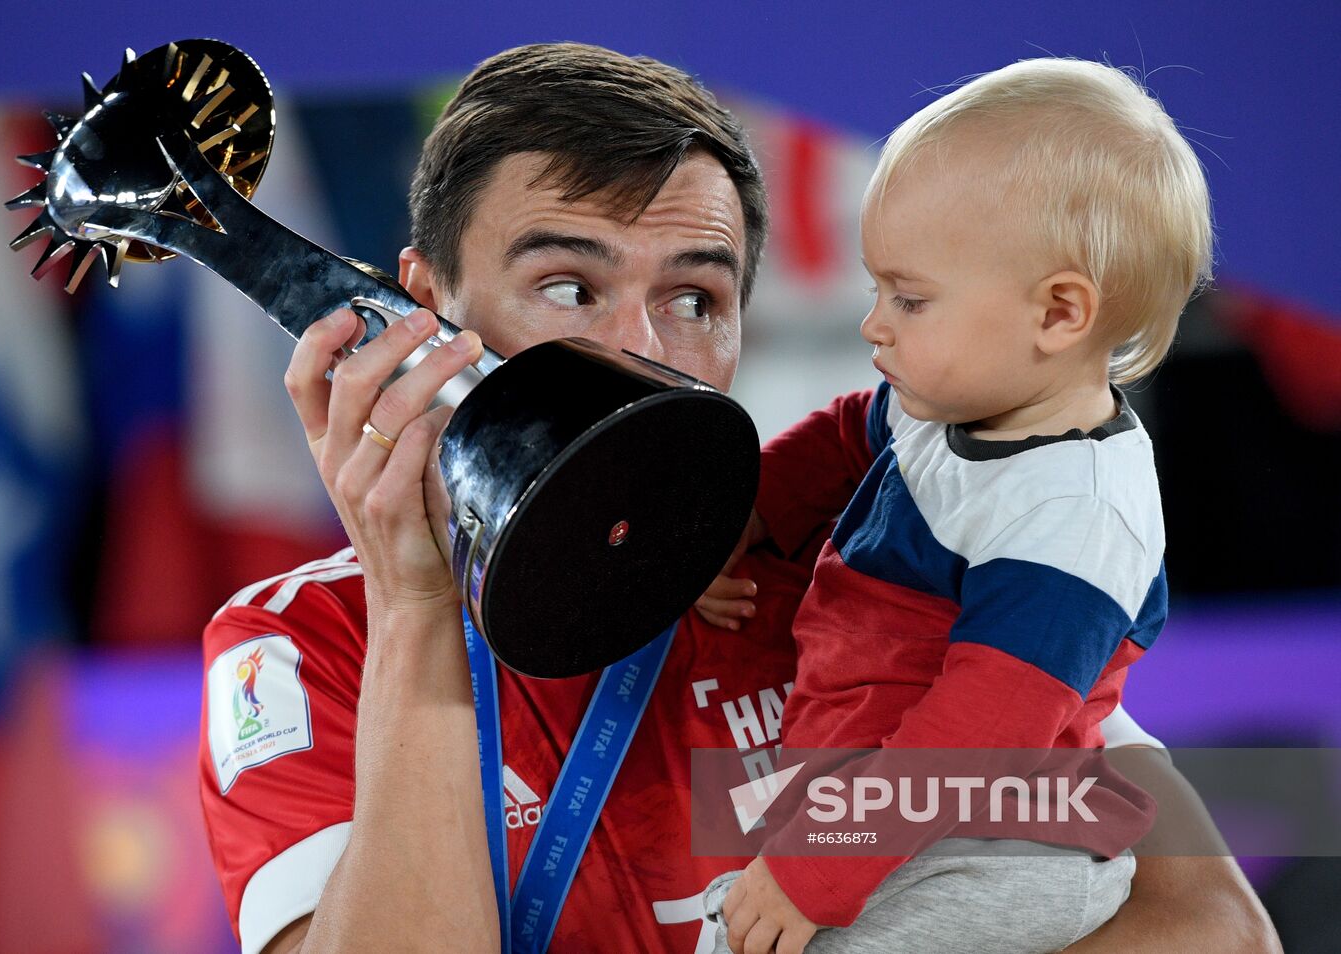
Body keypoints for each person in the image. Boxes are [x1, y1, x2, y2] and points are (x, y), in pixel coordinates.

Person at [196, 43, 1281, 954]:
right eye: (569, 289)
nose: (638, 345)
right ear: (424, 311)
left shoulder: (866, 562)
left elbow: (1206, 921)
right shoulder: (307, 647)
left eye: (693, 298)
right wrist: (419, 610)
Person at [696, 58, 1216, 954]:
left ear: (1057, 314)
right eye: (875, 290)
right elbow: (849, 432)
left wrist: (815, 864)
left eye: (909, 298)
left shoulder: (1074, 521)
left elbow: (981, 737)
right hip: (886, 809)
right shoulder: (961, 393)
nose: (874, 324)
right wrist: (743, 519)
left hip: (993, 845)